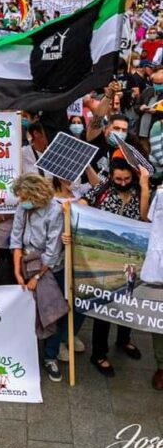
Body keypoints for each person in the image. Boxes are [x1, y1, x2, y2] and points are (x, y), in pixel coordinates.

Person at [79, 158, 151, 376]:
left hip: (131, 258)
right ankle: (99, 353)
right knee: (104, 304)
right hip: (104, 259)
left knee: (128, 300)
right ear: (111, 176)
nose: (122, 183)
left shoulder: (140, 191)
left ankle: (124, 340)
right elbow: (83, 203)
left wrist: (145, 186)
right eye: (118, 179)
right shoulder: (102, 189)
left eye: (127, 179)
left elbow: (145, 216)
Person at [9, 173, 69, 383]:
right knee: (26, 312)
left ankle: (50, 356)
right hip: (26, 264)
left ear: (35, 195)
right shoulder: (22, 209)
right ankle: (26, 354)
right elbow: (16, 240)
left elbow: (52, 250)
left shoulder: (55, 211)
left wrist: (37, 277)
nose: (20, 201)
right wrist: (17, 272)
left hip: (50, 268)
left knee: (51, 312)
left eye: (23, 197)